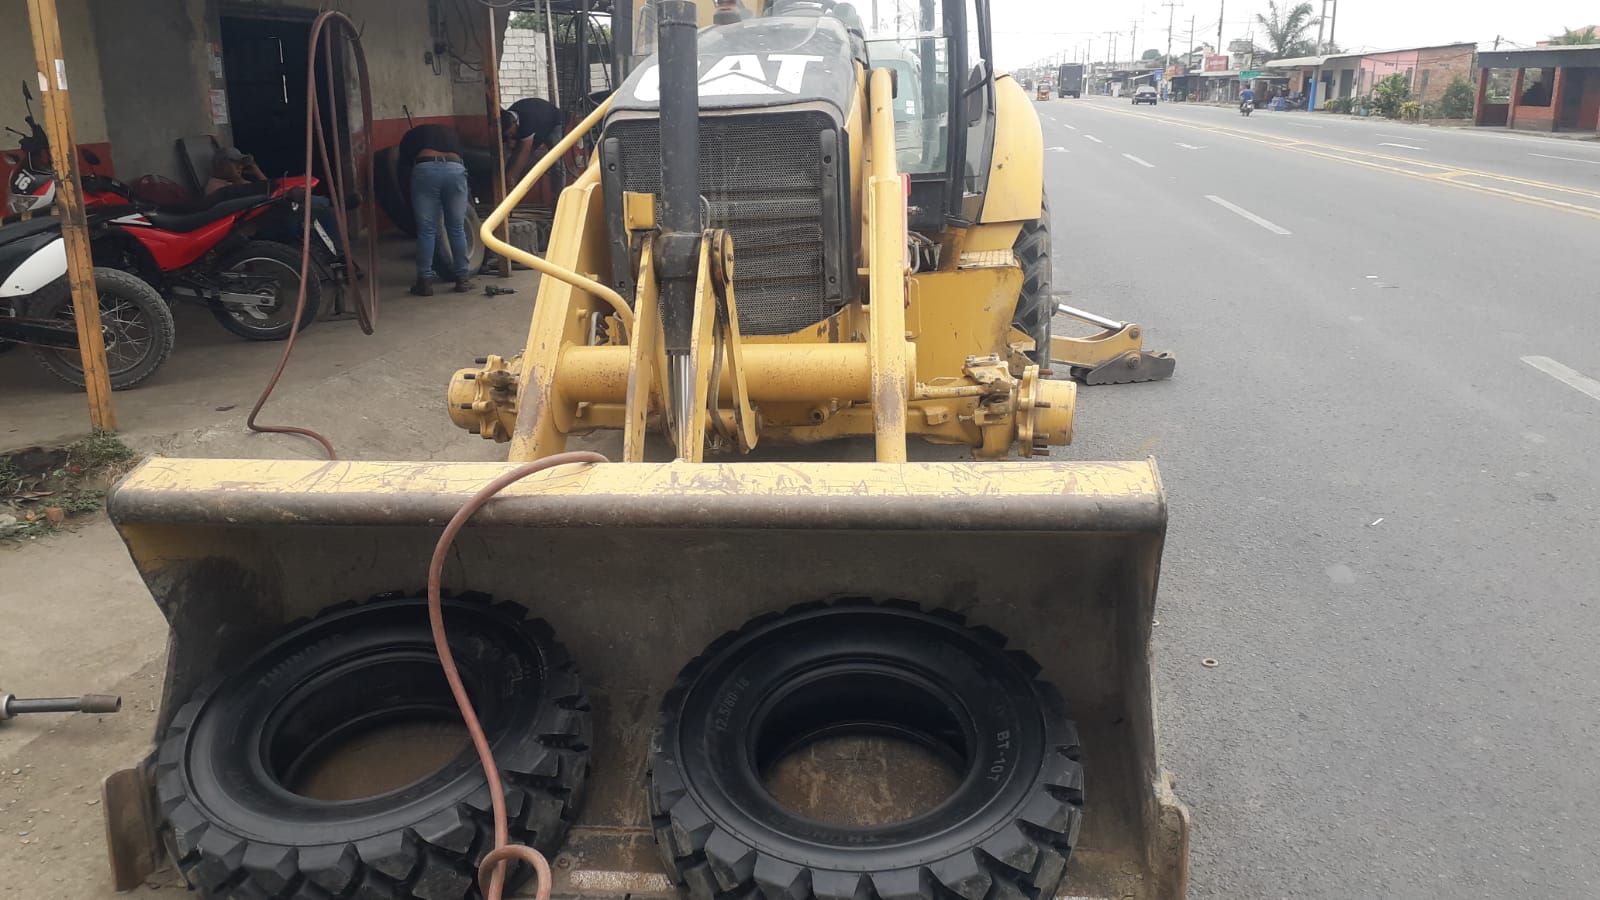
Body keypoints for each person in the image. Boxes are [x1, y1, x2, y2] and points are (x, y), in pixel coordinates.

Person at [206, 145, 348, 264]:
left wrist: (255, 170)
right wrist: (237, 178)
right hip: (261, 228)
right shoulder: (218, 188)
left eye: (241, 164)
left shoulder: (235, 182)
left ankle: (338, 256)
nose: (239, 167)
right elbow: (260, 196)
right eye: (235, 163)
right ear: (221, 165)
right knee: (316, 210)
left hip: (271, 216)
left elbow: (268, 188)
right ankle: (332, 205)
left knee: (327, 213)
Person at [398, 123, 473, 296]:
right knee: (456, 228)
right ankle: (462, 279)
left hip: (426, 169)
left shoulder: (410, 137)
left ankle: (424, 282)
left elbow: (404, 167)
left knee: (427, 230)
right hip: (455, 168)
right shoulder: (450, 133)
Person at [501, 97, 565, 189]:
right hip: (536, 124)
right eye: (508, 134)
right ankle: (513, 189)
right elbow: (504, 151)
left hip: (554, 123)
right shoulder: (505, 122)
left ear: (514, 123)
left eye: (511, 133)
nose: (510, 136)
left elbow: (525, 152)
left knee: (557, 161)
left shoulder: (527, 122)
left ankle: (559, 193)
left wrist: (510, 175)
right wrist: (504, 173)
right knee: (515, 155)